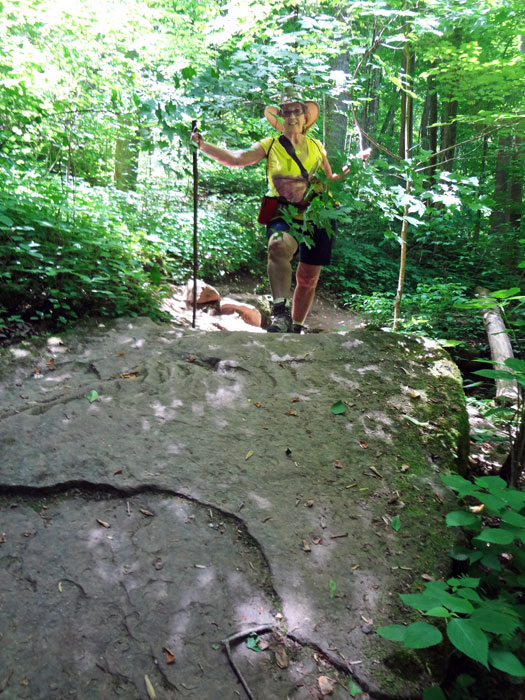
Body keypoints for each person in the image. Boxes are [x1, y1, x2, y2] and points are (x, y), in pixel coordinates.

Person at [190, 93, 370, 333]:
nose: (292, 116)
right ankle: (280, 313)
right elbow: (237, 158)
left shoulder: (317, 147)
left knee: (308, 278)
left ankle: (296, 327)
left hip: (319, 215)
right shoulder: (271, 145)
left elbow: (330, 180)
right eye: (286, 112)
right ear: (280, 118)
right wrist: (202, 145)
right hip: (283, 214)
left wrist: (353, 166)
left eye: (297, 111)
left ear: (305, 118)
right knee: (277, 246)